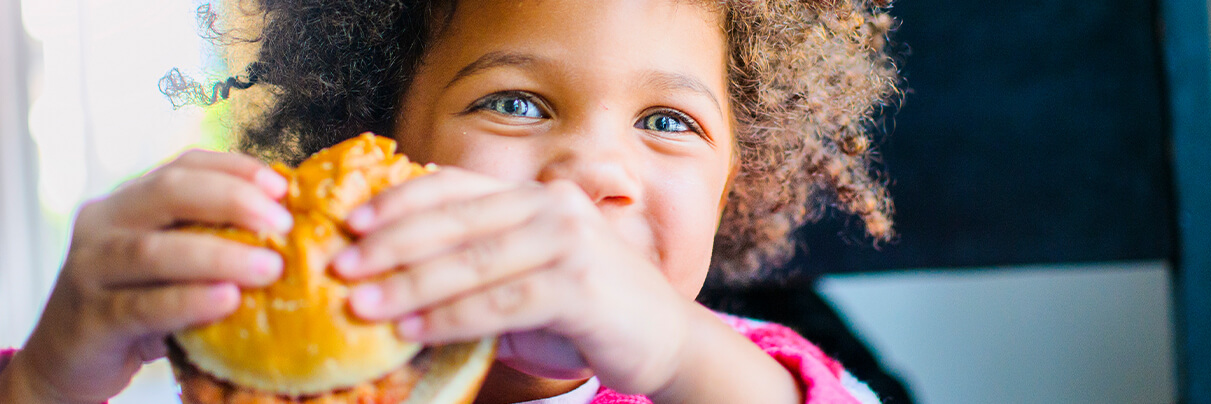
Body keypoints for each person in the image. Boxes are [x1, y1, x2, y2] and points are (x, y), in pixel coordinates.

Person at [0, 0, 899, 402]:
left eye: (667, 120)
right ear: (380, 142)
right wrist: (44, 383)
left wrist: (673, 355)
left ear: (736, 181)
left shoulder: (715, 380)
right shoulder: (283, 380)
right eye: (513, 103)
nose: (590, 169)